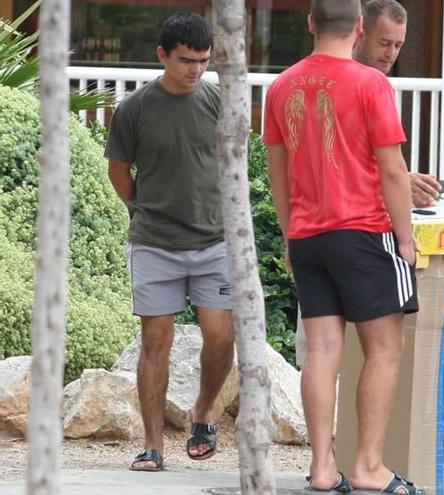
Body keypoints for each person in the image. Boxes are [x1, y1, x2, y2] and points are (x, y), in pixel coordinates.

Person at [263, 1, 421, 493]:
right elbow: (393, 171)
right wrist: (407, 237)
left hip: (309, 234)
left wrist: (291, 235)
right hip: (365, 231)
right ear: (357, 28)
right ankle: (370, 466)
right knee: (385, 350)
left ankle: (323, 467)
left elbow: (278, 174)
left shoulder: (280, 85)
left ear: (310, 23)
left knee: (323, 352)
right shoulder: (370, 84)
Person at [105, 12, 234, 472]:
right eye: (185, 60)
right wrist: (141, 209)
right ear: (162, 55)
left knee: (221, 336)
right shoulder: (135, 109)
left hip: (214, 240)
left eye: (202, 61)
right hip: (154, 241)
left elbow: (235, 163)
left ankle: (202, 414)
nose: (195, 69)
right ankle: (153, 445)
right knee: (154, 339)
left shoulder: (218, 101)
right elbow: (119, 172)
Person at [355, 0, 442, 208]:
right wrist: (402, 182)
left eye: (398, 45)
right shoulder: (369, 84)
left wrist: (404, 181)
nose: (391, 53)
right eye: (384, 43)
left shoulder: (378, 84)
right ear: (360, 32)